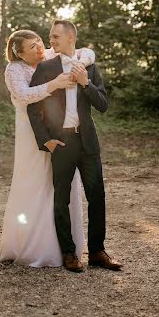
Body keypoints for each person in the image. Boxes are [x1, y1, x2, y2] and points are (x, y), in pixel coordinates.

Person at [28, 20, 123, 272]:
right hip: (62, 143)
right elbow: (33, 106)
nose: (51, 41)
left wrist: (85, 82)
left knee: (97, 196)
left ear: (71, 38)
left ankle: (97, 252)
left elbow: (102, 105)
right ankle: (69, 254)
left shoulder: (89, 68)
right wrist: (45, 140)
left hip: (88, 141)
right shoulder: (46, 67)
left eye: (56, 36)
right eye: (50, 37)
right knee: (61, 199)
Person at [0, 29, 95, 267]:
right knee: (35, 181)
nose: (40, 48)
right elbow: (22, 96)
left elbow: (88, 52)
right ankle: (34, 244)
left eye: (40, 42)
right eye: (32, 47)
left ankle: (64, 245)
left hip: (57, 129)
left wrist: (79, 66)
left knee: (61, 185)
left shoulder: (51, 54)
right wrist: (54, 84)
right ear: (19, 53)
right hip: (31, 133)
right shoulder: (14, 70)